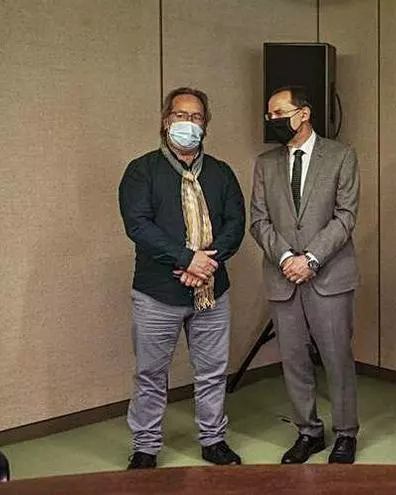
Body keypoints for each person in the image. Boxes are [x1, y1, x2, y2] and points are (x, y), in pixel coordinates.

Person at [118, 87, 246, 469]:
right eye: (180, 115)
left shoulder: (221, 173)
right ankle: (145, 447)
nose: (188, 123)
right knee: (150, 375)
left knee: (212, 373)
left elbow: (235, 224)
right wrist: (187, 259)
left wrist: (206, 263)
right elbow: (138, 225)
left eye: (196, 117)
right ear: (165, 121)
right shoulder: (141, 171)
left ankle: (213, 439)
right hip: (157, 294)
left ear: (205, 125)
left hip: (212, 292)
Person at [250, 86, 360, 465]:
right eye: (270, 115)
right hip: (283, 276)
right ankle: (308, 431)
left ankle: (345, 432)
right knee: (293, 359)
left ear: (304, 113)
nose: (273, 120)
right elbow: (259, 220)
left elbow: (345, 216)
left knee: (337, 357)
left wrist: (311, 259)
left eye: (279, 113)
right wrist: (285, 258)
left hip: (329, 275)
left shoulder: (341, 156)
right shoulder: (265, 164)